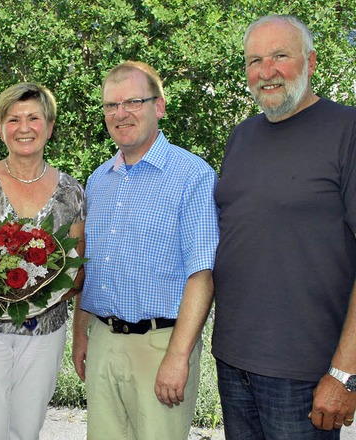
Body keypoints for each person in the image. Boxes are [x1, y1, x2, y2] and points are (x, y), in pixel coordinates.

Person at [212, 14, 356, 439]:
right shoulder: (241, 137)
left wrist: (345, 372)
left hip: (306, 374)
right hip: (233, 362)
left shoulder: (347, 130)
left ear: (310, 62)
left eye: (280, 56)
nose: (266, 71)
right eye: (254, 60)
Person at [72, 61, 219, 439]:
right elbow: (91, 266)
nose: (120, 114)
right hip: (104, 340)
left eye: (133, 101)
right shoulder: (98, 180)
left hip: (161, 345)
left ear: (160, 106)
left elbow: (202, 274)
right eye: (110, 105)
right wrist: (81, 334)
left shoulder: (193, 175)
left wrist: (178, 356)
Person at [0, 82, 86, 439]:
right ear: (0, 128)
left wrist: (40, 289)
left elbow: (77, 271)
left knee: (26, 431)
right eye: (13, 119)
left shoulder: (72, 192)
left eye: (34, 118)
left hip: (44, 333)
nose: (24, 127)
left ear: (49, 127)